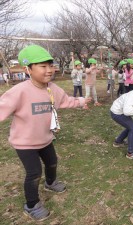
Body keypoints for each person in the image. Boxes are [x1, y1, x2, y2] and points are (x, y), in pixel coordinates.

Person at [0, 45, 91, 221]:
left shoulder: (53, 89)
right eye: (43, 66)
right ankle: (32, 205)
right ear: (28, 69)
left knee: (52, 162)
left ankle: (50, 183)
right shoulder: (19, 91)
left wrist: (80, 101)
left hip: (45, 139)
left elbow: (65, 100)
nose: (49, 70)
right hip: (25, 143)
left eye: (51, 65)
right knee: (34, 173)